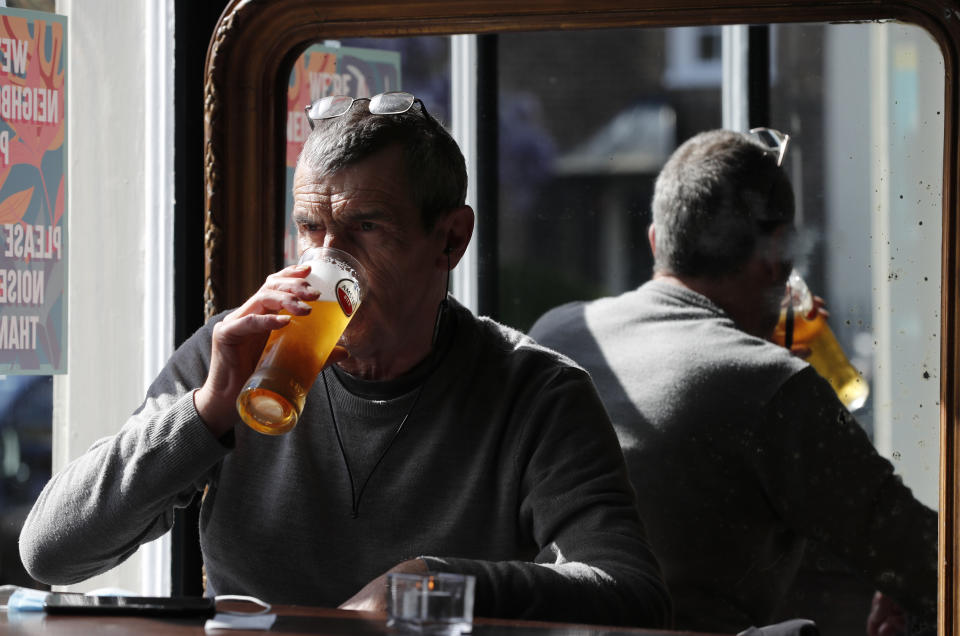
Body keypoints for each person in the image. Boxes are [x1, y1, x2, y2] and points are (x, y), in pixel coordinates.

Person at [18, 92, 671, 627]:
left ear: (450, 239)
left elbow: (632, 591)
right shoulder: (238, 357)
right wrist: (206, 409)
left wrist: (438, 582)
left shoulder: (534, 392)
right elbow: (50, 553)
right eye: (309, 229)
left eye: (365, 228)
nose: (324, 261)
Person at [528, 128, 937, 634]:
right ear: (777, 260)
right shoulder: (772, 385)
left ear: (657, 240)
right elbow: (930, 562)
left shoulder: (556, 331)